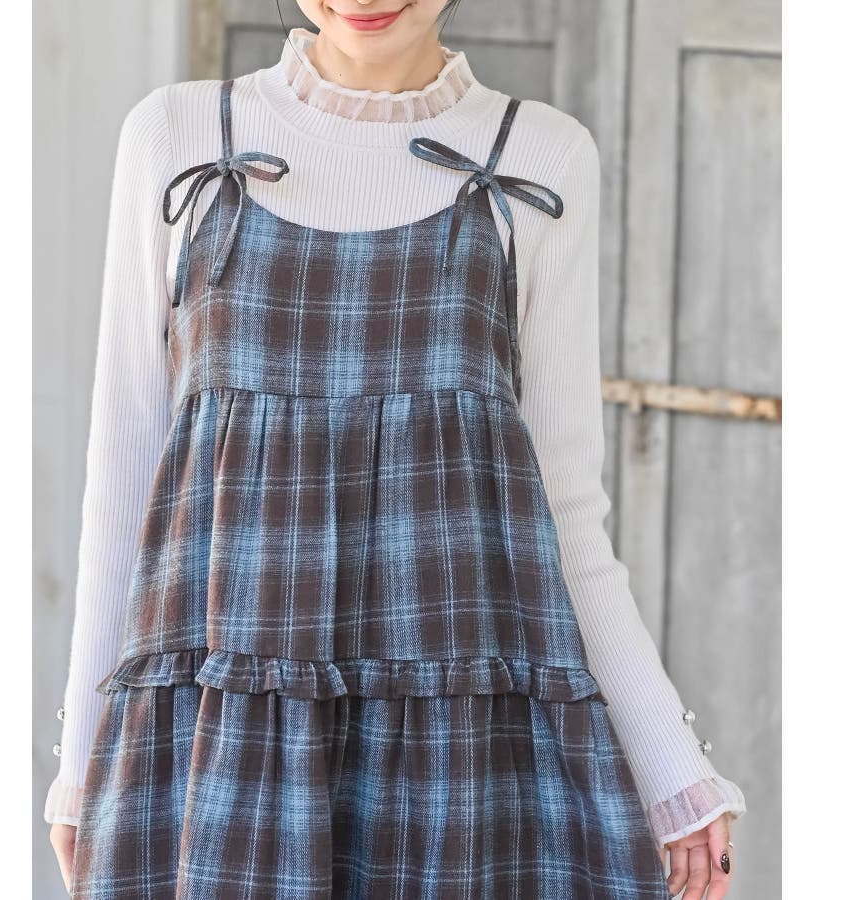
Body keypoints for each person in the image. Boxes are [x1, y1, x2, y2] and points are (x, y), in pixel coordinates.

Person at [46, 2, 746, 896]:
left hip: (455, 752)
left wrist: (674, 768)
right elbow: (124, 488)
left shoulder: (539, 158)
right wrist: (82, 770)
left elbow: (566, 512)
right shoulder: (177, 138)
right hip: (224, 742)